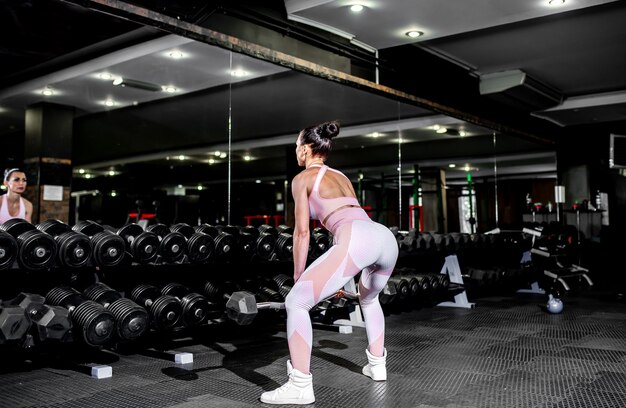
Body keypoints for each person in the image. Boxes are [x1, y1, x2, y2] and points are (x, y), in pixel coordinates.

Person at [260, 121, 399, 405]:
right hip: (383, 237)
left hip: (356, 239)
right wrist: (332, 277)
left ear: (307, 148)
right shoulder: (340, 175)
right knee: (369, 300)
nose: (295, 150)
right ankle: (377, 366)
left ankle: (299, 385)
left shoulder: (302, 179)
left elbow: (302, 232)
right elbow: (346, 219)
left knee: (297, 303)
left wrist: (300, 276)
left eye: (297, 145)